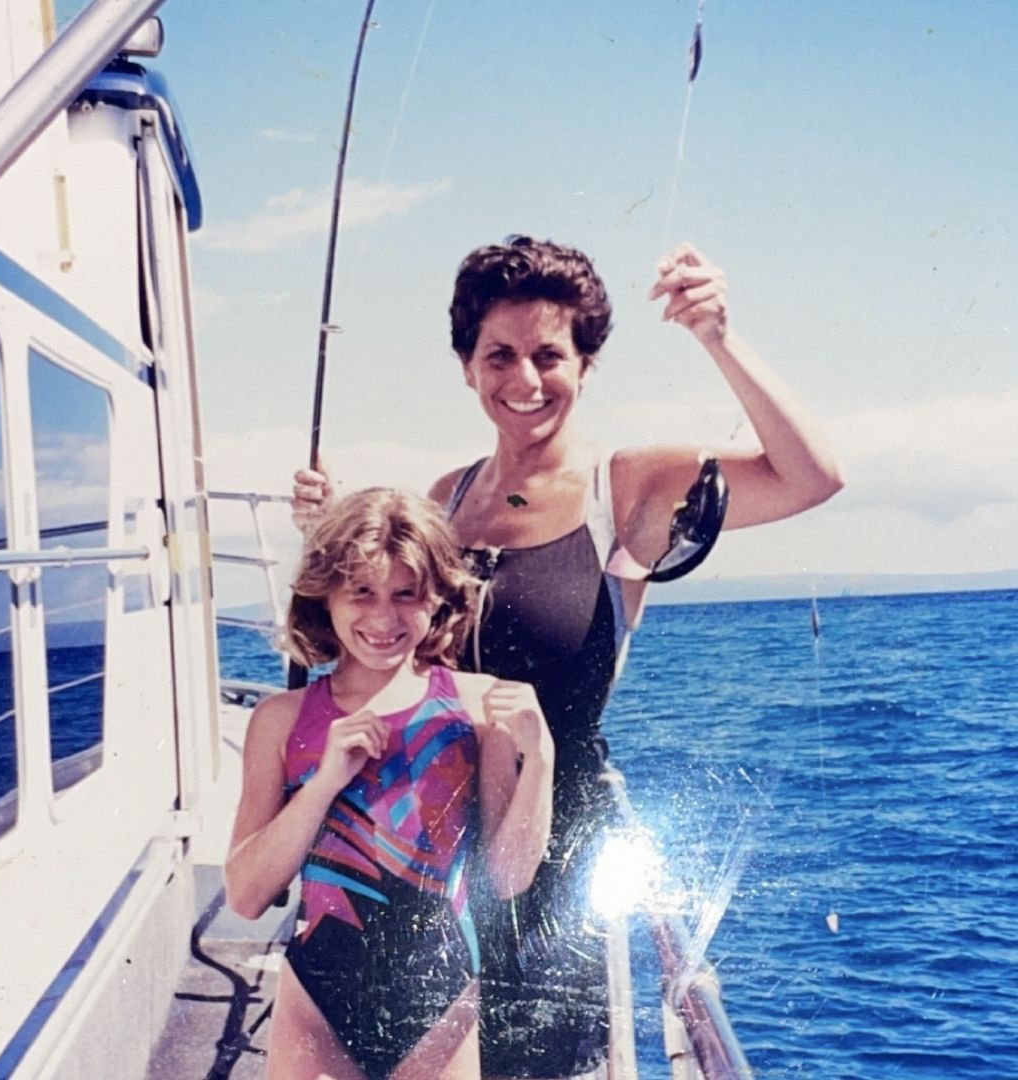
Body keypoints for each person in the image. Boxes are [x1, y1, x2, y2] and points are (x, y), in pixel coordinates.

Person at [291, 238, 844, 1079]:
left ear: (586, 365)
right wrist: (329, 530)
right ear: (467, 368)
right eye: (499, 355)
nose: (526, 379)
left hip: (553, 851)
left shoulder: (627, 489)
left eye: (550, 355)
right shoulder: (444, 499)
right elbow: (392, 645)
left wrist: (718, 336)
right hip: (422, 840)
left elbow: (811, 478)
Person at [226, 487, 555, 1080]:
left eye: (407, 594)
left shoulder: (479, 707)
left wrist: (541, 762)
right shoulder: (280, 720)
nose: (383, 618)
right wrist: (323, 784)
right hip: (316, 1009)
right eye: (361, 592)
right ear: (325, 596)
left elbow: (507, 880)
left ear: (438, 598)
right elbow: (246, 897)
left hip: (442, 1005)